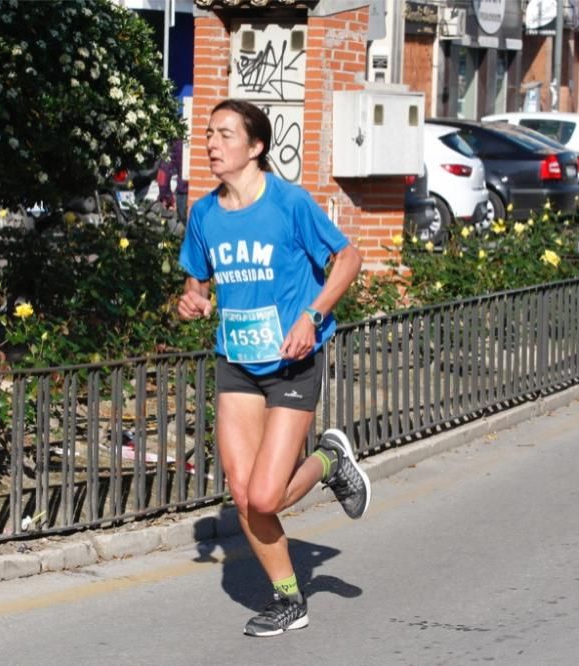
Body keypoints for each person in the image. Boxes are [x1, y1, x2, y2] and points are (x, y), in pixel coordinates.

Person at [177, 99, 367, 637]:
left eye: (225, 135)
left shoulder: (289, 203)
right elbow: (196, 284)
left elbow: (349, 257)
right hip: (237, 360)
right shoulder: (204, 214)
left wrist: (313, 314)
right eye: (209, 134)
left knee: (265, 496)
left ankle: (329, 462)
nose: (212, 143)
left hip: (291, 361)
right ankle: (289, 599)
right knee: (244, 499)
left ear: (255, 147)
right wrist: (191, 301)